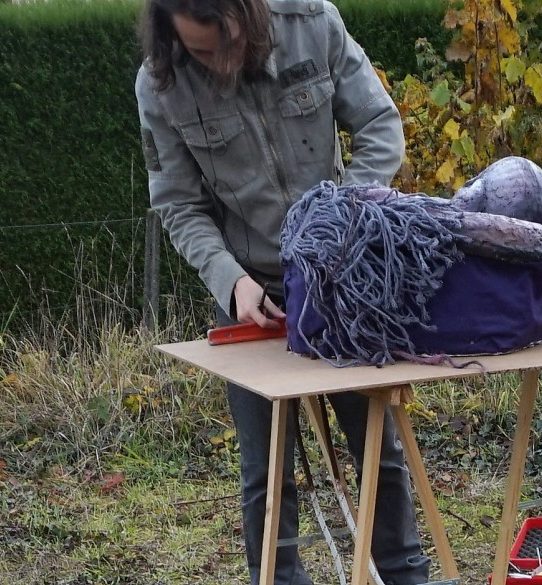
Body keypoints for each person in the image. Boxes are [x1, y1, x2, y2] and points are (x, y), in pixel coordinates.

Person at [135, 0, 430, 583]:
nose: (219, 63)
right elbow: (179, 205)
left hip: (344, 279)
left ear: (251, 14)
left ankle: (405, 576)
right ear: (171, 34)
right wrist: (231, 281)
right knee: (265, 474)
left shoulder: (313, 22)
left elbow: (378, 124)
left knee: (378, 452)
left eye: (229, 43)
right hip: (253, 295)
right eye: (200, 51)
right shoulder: (159, 84)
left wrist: (344, 220)